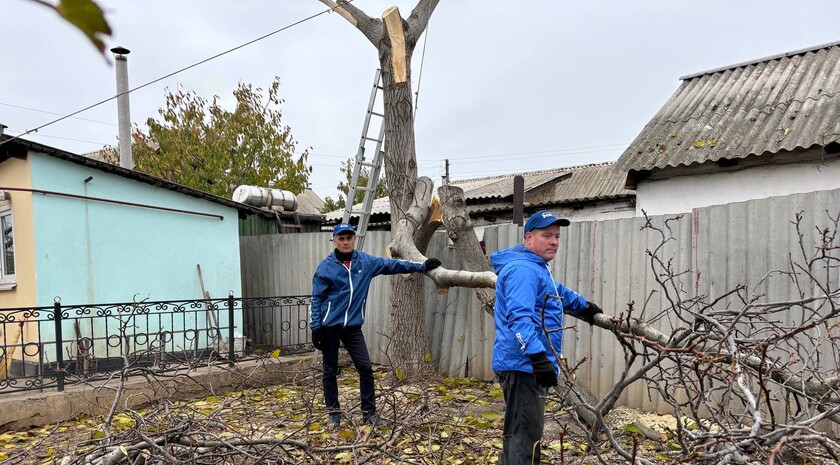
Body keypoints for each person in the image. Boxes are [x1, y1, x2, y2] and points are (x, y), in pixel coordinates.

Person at [490, 210, 603, 465]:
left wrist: (584, 306)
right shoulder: (523, 270)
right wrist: (538, 357)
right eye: (546, 236)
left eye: (557, 236)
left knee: (521, 433)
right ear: (529, 238)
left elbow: (556, 293)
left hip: (526, 364)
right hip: (523, 365)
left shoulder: (536, 268)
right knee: (524, 438)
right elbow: (520, 319)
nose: (554, 241)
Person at [310, 223, 441, 429]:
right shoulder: (325, 267)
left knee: (365, 368)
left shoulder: (366, 262)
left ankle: (369, 414)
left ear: (354, 239)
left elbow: (393, 265)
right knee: (329, 370)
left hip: (352, 328)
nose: (345, 242)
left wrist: (422, 266)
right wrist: (315, 327)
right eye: (341, 239)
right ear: (334, 241)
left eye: (348, 238)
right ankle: (334, 414)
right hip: (329, 328)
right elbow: (317, 299)